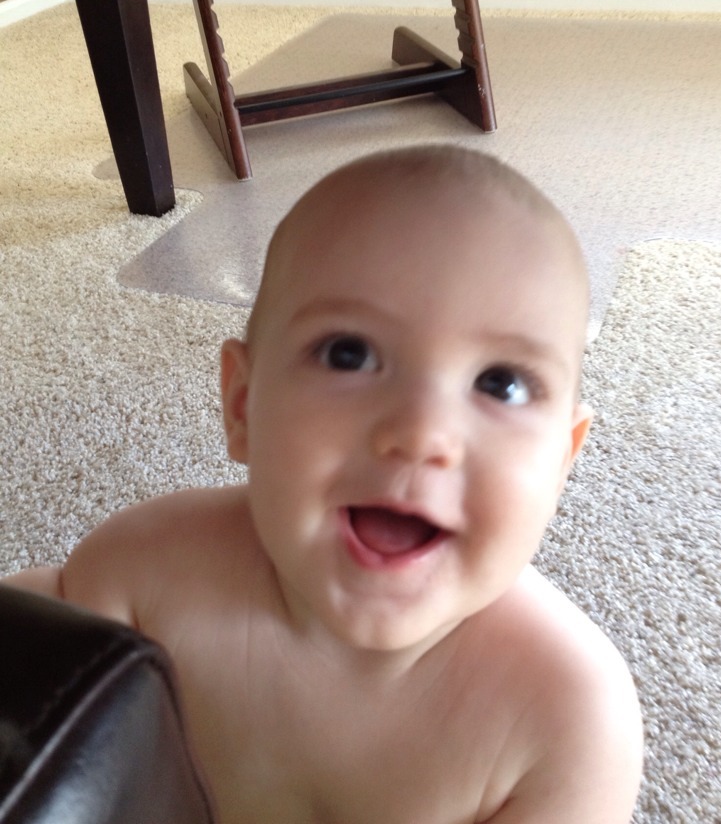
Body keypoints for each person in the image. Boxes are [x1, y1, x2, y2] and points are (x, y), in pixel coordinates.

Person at [5, 145, 643, 823]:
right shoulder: (144, 576)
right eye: (349, 354)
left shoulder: (571, 722)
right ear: (243, 405)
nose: (422, 433)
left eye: (501, 383)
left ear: (562, 461)